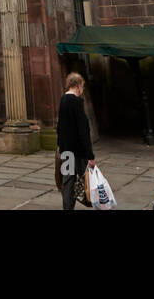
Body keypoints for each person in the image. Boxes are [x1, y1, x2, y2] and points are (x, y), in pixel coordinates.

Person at [56, 72, 95, 210]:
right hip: (78, 152)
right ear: (78, 85)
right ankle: (96, 203)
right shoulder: (77, 102)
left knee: (67, 182)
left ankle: (67, 208)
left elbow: (60, 127)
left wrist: (60, 146)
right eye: (82, 87)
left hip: (66, 150)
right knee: (88, 180)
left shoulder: (63, 100)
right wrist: (90, 155)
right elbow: (83, 131)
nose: (82, 90)